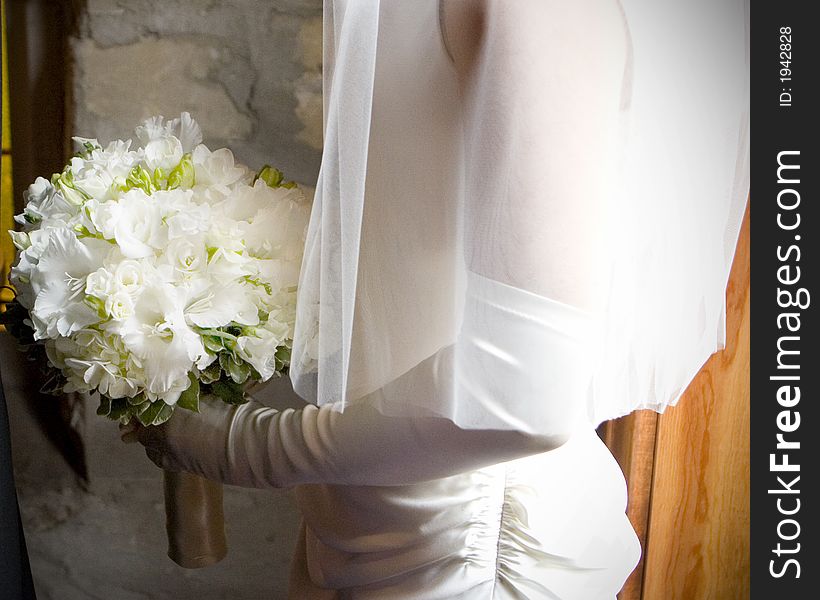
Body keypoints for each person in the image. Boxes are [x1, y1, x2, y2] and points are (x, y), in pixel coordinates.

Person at [130, 1, 749, 598]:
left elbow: (519, 402)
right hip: (376, 498)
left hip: (467, 546)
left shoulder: (535, 10)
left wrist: (243, 446)